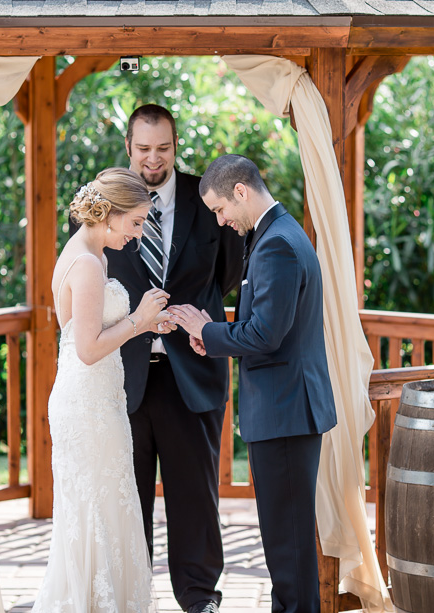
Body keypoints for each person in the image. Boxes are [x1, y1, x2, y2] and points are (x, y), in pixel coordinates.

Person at [169, 154, 338, 613]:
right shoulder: (275, 234)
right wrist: (215, 337)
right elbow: (263, 325)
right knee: (288, 537)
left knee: (289, 543)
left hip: (285, 411)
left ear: (240, 192)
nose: (221, 221)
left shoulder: (276, 245)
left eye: (221, 209)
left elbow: (265, 333)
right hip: (285, 409)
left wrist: (206, 331)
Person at [104, 105, 244, 613]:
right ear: (128, 146)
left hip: (194, 369)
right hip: (125, 377)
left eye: (163, 148)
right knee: (128, 495)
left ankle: (199, 597)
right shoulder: (109, 201)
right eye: (143, 149)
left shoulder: (205, 199)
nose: (153, 159)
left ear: (176, 143)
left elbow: (229, 270)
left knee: (195, 496)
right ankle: (131, 595)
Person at [33, 167, 172, 612]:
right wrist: (140, 322)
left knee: (105, 507)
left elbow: (84, 331)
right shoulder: (89, 264)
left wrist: (148, 323)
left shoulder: (90, 254)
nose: (138, 233)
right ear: (109, 215)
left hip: (98, 397)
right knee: (95, 509)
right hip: (88, 403)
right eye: (135, 222)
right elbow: (89, 349)